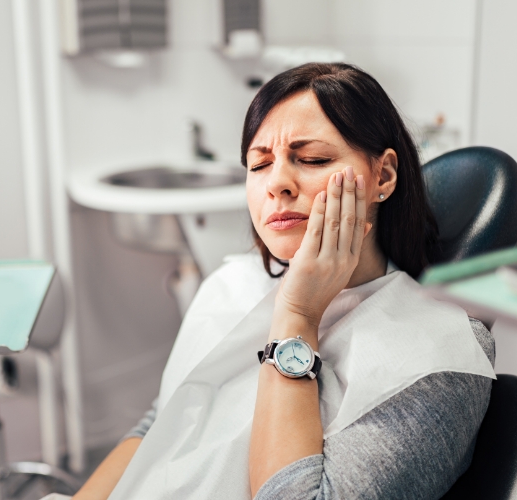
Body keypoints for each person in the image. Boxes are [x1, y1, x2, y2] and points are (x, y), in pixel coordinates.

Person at [72, 63, 495, 500]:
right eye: (259, 165)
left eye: (312, 159)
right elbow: (162, 424)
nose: (277, 184)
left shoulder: (440, 355)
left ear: (383, 176)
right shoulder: (232, 284)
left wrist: (298, 315)